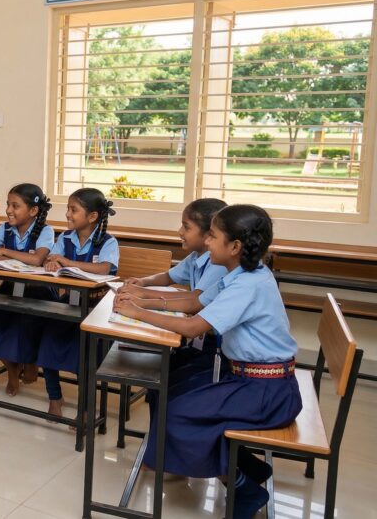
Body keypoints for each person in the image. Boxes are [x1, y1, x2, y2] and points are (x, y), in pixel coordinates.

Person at [113, 204, 301, 519]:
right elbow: (196, 301)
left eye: (213, 236)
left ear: (235, 247)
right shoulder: (241, 273)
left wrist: (138, 313)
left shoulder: (248, 284)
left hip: (268, 392)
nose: (209, 243)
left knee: (180, 411)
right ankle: (247, 467)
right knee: (174, 390)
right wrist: (140, 299)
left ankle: (244, 487)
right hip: (250, 380)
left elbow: (194, 325)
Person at [117, 198, 228, 386]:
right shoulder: (196, 256)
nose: (180, 232)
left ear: (209, 234)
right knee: (157, 375)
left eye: (186, 227)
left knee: (167, 381)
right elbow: (169, 276)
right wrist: (143, 282)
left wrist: (142, 300)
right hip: (199, 340)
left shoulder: (219, 264)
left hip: (216, 346)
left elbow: (195, 300)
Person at [40, 188, 118, 418]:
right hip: (69, 303)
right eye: (68, 209)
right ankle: (55, 397)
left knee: (86, 355)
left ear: (92, 216)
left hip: (96, 309)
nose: (68, 214)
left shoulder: (107, 241)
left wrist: (66, 261)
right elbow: (51, 258)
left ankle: (85, 408)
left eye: (73, 210)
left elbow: (105, 268)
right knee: (48, 345)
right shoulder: (65, 238)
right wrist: (52, 262)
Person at [0, 183, 54, 396]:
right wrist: (2, 252)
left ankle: (29, 360)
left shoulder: (45, 230)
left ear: (33, 211)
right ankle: (11, 370)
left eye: (15, 206)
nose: (8, 210)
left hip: (38, 291)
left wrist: (3, 251)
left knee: (23, 323)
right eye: (8, 204)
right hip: (10, 288)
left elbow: (37, 259)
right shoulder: (5, 229)